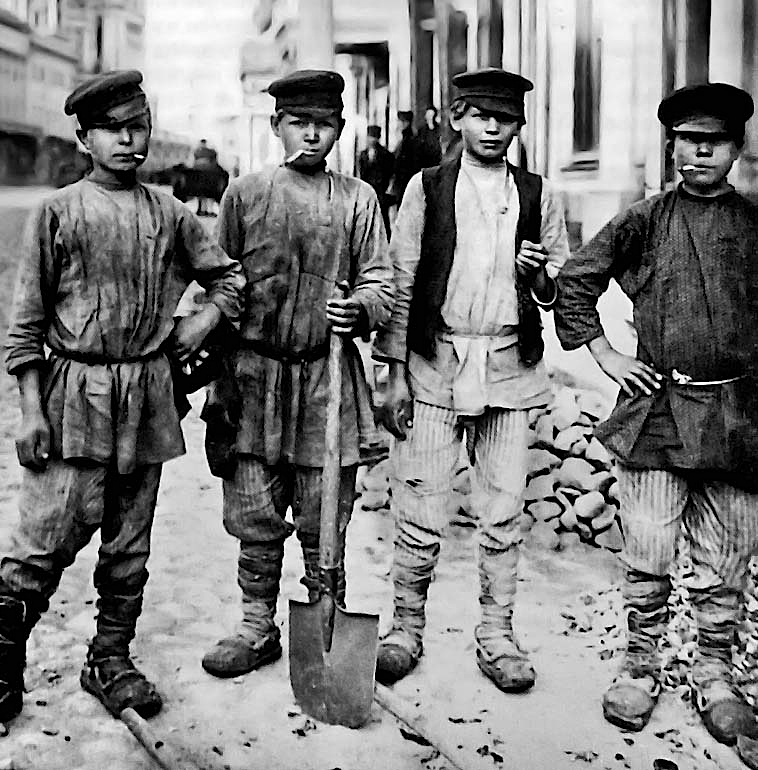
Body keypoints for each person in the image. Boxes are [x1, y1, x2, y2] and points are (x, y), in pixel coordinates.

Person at [0, 70, 245, 738]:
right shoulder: (56, 212)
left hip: (147, 396)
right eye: (113, 129)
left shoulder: (170, 214)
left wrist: (199, 323)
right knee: (40, 544)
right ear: (84, 138)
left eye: (138, 126)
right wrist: (32, 409)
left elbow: (228, 278)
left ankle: (109, 659)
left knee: (128, 546)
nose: (129, 139)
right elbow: (26, 327)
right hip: (72, 397)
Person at [554, 82, 758, 746]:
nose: (700, 151)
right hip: (658, 412)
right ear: (670, 145)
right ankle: (640, 664)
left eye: (716, 140)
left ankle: (714, 672)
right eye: (688, 140)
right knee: (647, 547)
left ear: (736, 148)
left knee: (727, 556)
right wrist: (608, 355)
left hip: (736, 417)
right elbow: (576, 280)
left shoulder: (755, 223)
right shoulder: (645, 218)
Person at [372, 67, 570, 690]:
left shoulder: (538, 195)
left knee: (505, 509)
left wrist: (537, 274)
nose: (493, 127)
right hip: (437, 364)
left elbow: (555, 288)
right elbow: (402, 280)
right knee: (421, 503)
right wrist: (394, 371)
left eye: (505, 118)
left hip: (509, 368)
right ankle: (405, 628)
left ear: (518, 126)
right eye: (481, 115)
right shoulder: (426, 189)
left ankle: (497, 633)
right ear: (457, 118)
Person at [200, 69, 394, 679]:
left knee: (323, 508)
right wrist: (215, 325)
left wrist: (360, 308)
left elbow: (381, 279)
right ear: (277, 126)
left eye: (326, 125)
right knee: (254, 507)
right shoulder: (246, 195)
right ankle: (256, 624)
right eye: (299, 124)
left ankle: (325, 617)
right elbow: (217, 276)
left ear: (340, 128)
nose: (312, 136)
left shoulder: (357, 199)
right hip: (253, 377)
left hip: (325, 379)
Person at [358, 124, 395, 236]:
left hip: (381, 193)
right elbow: (361, 175)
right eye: (370, 137)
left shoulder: (386, 155)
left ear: (378, 138)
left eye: (374, 137)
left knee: (383, 221)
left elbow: (390, 173)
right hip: (367, 193)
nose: (372, 140)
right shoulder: (363, 155)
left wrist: (386, 188)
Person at [390, 110, 420, 208]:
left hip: (405, 183)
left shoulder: (408, 141)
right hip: (406, 183)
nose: (398, 124)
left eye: (400, 121)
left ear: (405, 123)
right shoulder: (407, 139)